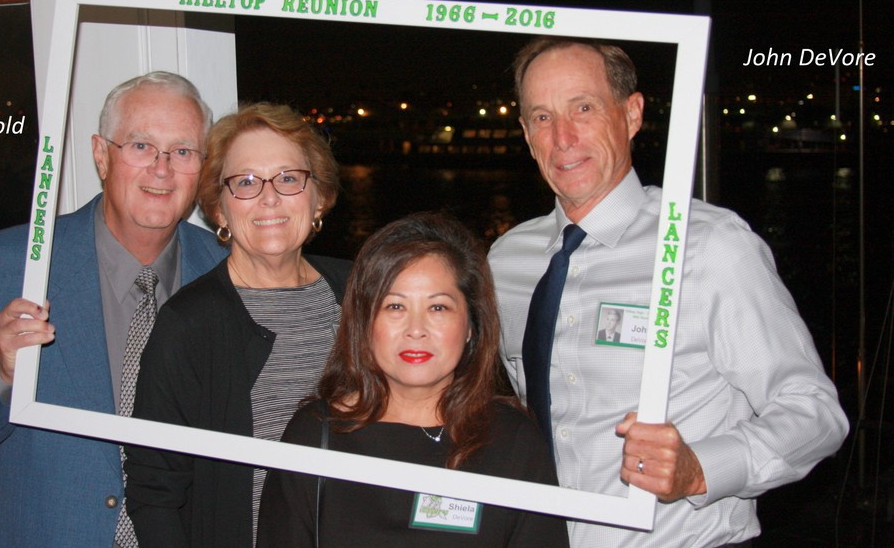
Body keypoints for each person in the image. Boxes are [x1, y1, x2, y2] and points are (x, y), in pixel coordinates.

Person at [488, 37, 849, 548]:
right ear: (526, 134)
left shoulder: (708, 246)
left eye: (584, 108)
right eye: (542, 117)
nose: (562, 137)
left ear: (631, 114)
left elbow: (815, 413)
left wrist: (700, 469)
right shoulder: (507, 260)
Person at [0, 71, 227, 547]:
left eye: (182, 151)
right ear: (102, 155)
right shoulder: (8, 265)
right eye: (141, 145)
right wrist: (0, 371)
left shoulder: (227, 273)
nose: (162, 168)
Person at [258, 212, 569, 548]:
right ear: (365, 322)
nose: (416, 329)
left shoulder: (513, 442)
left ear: (471, 325)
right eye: (395, 306)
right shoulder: (313, 436)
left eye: (438, 308)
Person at [124, 103, 351, 548]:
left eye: (288, 178)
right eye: (245, 182)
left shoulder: (361, 295)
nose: (269, 198)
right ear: (219, 210)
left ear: (319, 198)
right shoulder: (188, 324)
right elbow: (154, 490)